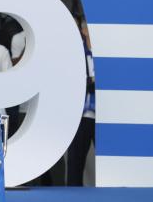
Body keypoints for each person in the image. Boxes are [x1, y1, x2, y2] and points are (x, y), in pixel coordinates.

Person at [66, 17, 95, 186]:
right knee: (75, 162)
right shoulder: (75, 52)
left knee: (110, 159)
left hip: (103, 116)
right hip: (80, 115)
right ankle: (72, 194)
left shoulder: (108, 54)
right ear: (84, 31)